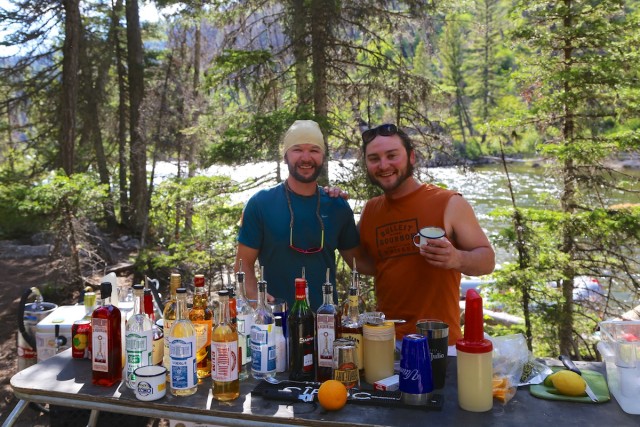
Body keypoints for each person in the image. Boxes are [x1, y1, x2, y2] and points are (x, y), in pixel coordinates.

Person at [357, 123, 495, 346]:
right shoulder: (371, 210)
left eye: (392, 155)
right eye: (374, 159)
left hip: (439, 342)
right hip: (385, 342)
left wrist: (457, 259)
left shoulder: (449, 202)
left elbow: (487, 260)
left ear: (411, 157)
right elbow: (367, 264)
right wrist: (334, 210)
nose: (383, 165)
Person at [235, 120, 360, 311]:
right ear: (285, 156)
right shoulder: (261, 203)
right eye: (297, 149)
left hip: (325, 321)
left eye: (314, 150)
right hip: (276, 322)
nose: (306, 157)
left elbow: (360, 264)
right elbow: (243, 266)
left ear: (323, 157)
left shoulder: (337, 206)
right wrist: (256, 300)